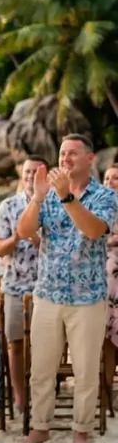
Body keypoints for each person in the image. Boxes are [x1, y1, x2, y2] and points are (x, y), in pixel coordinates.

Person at [18, 135, 118, 443]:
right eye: (62, 153)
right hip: (48, 294)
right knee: (41, 369)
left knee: (85, 370)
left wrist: (66, 197)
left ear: (90, 159)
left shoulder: (105, 196)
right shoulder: (46, 194)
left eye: (73, 153)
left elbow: (94, 230)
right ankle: (40, 427)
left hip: (87, 298)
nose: (65, 158)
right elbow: (23, 231)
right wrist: (37, 198)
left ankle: (81, 431)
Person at [0, 157, 45, 417]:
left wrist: (38, 240)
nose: (30, 176)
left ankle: (41, 395)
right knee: (15, 343)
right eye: (27, 171)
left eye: (35, 172)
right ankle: (19, 397)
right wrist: (16, 237)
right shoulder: (8, 206)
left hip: (46, 287)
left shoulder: (55, 203)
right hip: (14, 285)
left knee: (43, 345)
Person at [103, 164, 118, 411]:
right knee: (105, 338)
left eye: (115, 178)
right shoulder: (99, 207)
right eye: (106, 178)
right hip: (104, 281)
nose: (110, 182)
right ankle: (105, 394)